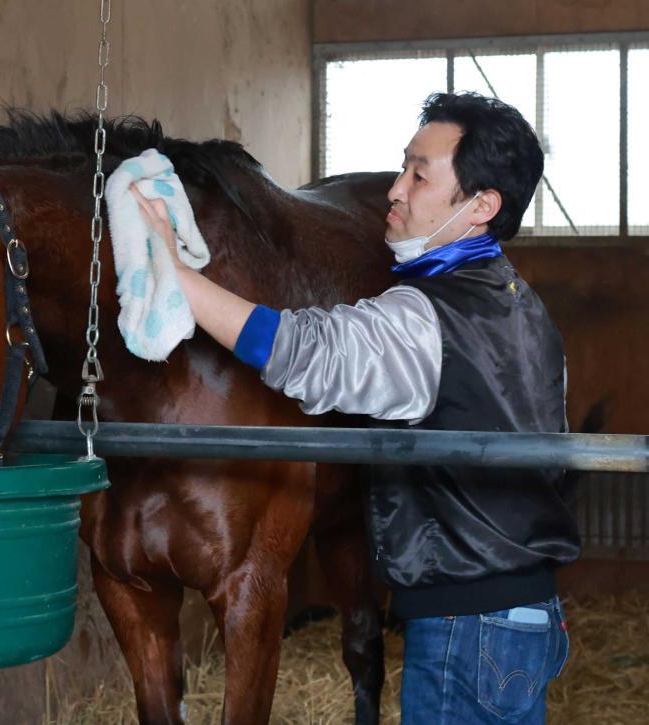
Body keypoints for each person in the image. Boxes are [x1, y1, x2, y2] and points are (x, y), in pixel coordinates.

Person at [132, 92, 579, 724]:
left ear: (481, 206)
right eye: (403, 168)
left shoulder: (426, 319)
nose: (395, 190)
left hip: (467, 627)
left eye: (420, 176)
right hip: (527, 617)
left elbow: (300, 350)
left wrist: (178, 278)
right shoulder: (523, 305)